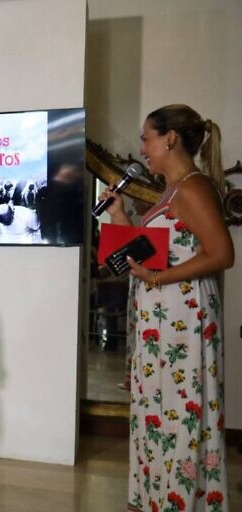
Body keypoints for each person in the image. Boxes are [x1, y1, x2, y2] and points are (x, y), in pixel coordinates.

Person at [98, 105, 234, 512]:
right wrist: (120, 215)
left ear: (170, 138)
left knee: (178, 412)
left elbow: (222, 254)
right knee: (160, 412)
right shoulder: (172, 189)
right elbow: (157, 252)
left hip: (183, 320)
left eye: (146, 138)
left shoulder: (193, 187)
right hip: (164, 322)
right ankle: (158, 498)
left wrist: (157, 279)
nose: (142, 149)